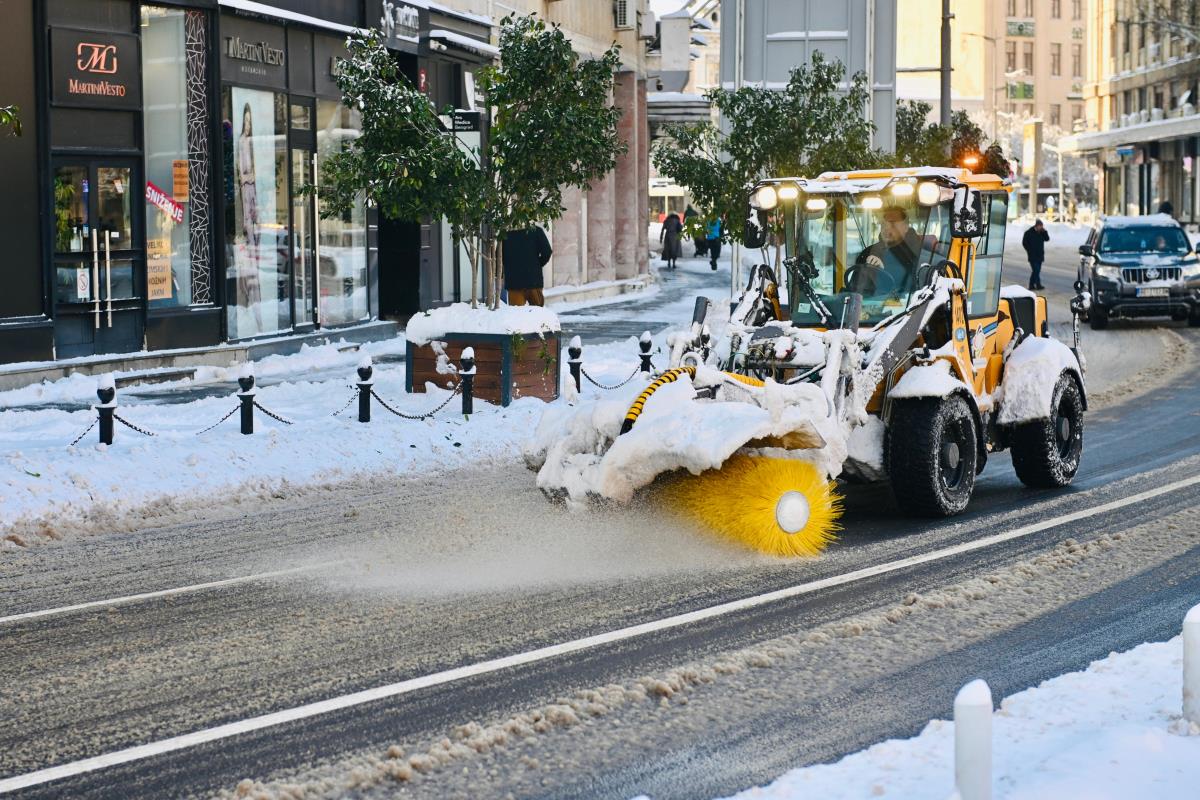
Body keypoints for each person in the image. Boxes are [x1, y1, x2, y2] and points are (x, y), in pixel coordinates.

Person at [851, 205, 923, 297]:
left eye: (892, 224)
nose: (886, 228)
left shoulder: (917, 253)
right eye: (883, 224)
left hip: (905, 309)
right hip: (867, 308)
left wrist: (882, 271)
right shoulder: (867, 253)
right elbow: (854, 291)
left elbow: (911, 292)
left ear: (905, 227)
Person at [502, 226, 552, 306]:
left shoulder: (505, 234)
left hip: (514, 282)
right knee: (538, 314)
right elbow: (547, 252)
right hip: (533, 280)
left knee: (517, 315)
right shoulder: (536, 231)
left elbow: (499, 257)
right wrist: (537, 265)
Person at [1021, 219, 1049, 291]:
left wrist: (1045, 232)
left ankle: (1033, 285)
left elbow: (1047, 239)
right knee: (1036, 270)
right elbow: (1024, 243)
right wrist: (1029, 250)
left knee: (1037, 271)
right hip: (1032, 255)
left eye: (1042, 226)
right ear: (1036, 226)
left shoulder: (1042, 233)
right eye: (1040, 226)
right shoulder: (1028, 233)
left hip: (1040, 255)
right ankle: (1035, 285)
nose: (1041, 227)